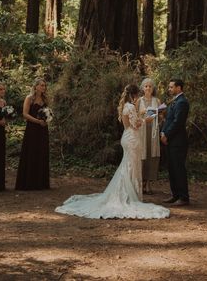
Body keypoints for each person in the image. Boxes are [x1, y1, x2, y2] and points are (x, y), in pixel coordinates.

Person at [55, 84, 169, 219]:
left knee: (128, 166)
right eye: (138, 95)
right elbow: (136, 124)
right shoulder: (131, 107)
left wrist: (142, 115)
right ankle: (129, 196)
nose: (138, 98)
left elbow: (131, 121)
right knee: (131, 167)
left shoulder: (125, 106)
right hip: (132, 139)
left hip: (128, 137)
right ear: (135, 95)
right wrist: (147, 119)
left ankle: (128, 193)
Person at [15, 78, 50, 191]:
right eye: (41, 85)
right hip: (32, 129)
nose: (43, 88)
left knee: (42, 151)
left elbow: (48, 112)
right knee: (31, 151)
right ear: (35, 87)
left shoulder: (45, 99)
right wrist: (37, 121)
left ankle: (41, 181)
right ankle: (29, 182)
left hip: (43, 129)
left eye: (44, 86)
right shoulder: (29, 98)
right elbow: (25, 114)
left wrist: (47, 120)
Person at [160, 78, 190, 206]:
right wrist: (162, 132)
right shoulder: (175, 101)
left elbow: (178, 122)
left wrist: (167, 134)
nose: (169, 89)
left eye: (171, 87)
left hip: (178, 141)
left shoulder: (182, 102)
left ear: (179, 88)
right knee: (172, 169)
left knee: (178, 169)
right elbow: (169, 119)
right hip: (170, 140)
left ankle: (184, 197)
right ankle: (175, 194)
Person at [138, 77, 161, 195]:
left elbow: (161, 117)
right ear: (142, 88)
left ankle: (148, 183)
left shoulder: (157, 101)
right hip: (141, 132)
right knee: (142, 156)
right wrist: (141, 114)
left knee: (151, 156)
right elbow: (134, 117)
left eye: (150, 86)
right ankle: (141, 183)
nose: (148, 88)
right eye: (146, 86)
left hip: (153, 132)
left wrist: (159, 114)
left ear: (153, 88)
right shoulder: (138, 101)